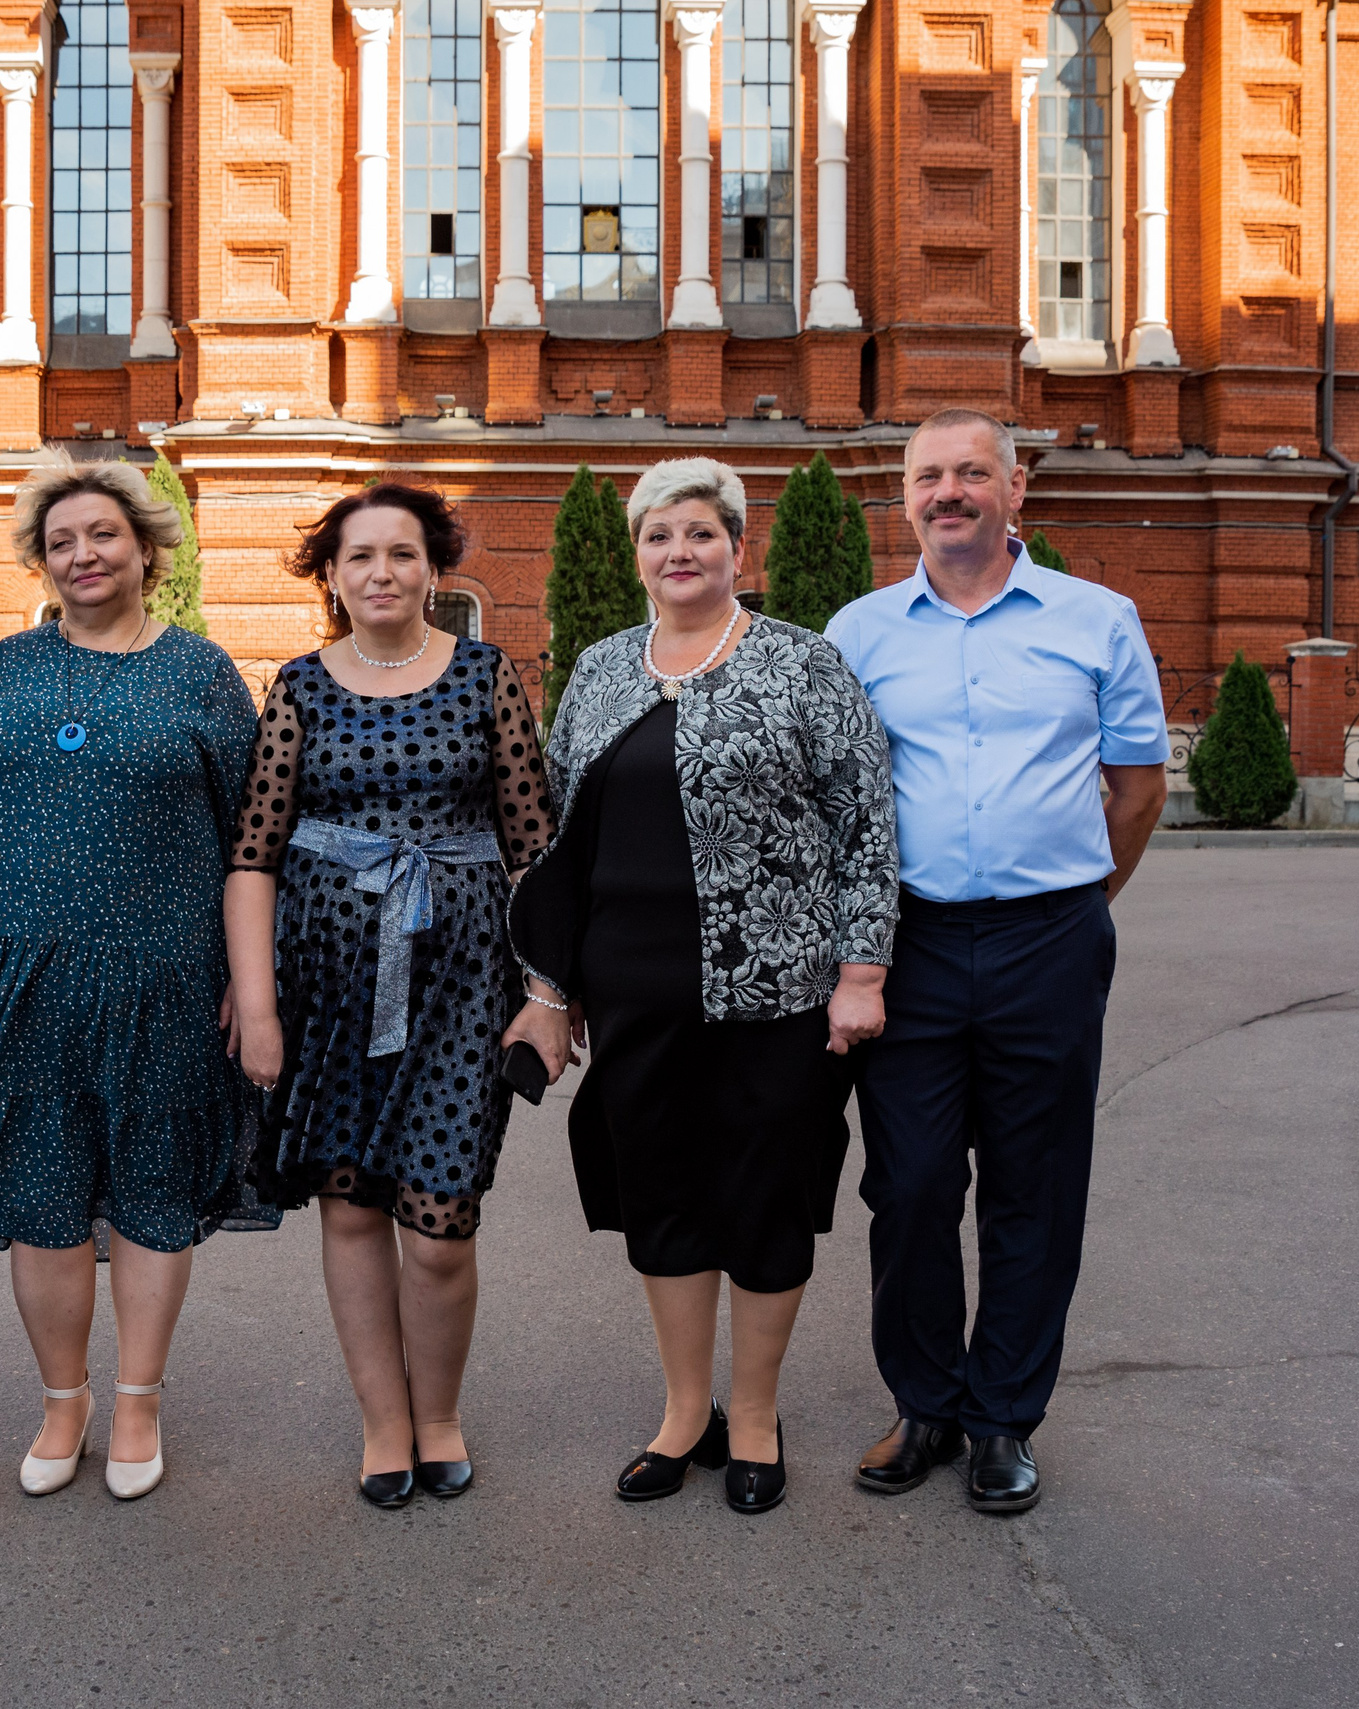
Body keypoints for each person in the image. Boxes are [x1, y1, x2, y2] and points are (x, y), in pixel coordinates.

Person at [506, 457, 897, 1514]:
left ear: (737, 547)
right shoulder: (597, 670)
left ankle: (757, 1411)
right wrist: (550, 986)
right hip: (634, 986)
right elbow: (554, 838)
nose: (679, 552)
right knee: (662, 1194)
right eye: (658, 535)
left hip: (780, 986)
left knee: (767, 1196)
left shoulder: (800, 664)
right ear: (637, 553)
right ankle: (686, 1409)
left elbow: (864, 820)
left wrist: (862, 970)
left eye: (701, 533)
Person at [823, 407, 1168, 1514]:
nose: (949, 492)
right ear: (906, 496)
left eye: (974, 472)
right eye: (929, 476)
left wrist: (1072, 896)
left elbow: (1138, 785)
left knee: (1035, 1186)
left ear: (1017, 490)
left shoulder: (1097, 618)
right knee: (911, 1182)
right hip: (908, 943)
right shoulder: (860, 631)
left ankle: (1002, 1416)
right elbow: (832, 799)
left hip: (1047, 940)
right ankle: (923, 1400)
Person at [0, 454, 270, 1500]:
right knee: (38, 1197)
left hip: (164, 976)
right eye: (61, 540)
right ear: (41, 559)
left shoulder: (201, 673)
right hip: (18, 975)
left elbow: (251, 838)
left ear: (146, 549)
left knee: (152, 1194)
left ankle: (136, 1399)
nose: (82, 554)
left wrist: (248, 977)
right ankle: (60, 1400)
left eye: (102, 535)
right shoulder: (2, 671)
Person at [224, 483, 552, 1510]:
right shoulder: (298, 689)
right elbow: (253, 855)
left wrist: (547, 989)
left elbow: (534, 845)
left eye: (401, 554)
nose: (380, 572)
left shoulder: (485, 675)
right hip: (325, 985)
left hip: (460, 987)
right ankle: (382, 1421)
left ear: (432, 568)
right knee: (352, 1207)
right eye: (358, 555)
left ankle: (440, 1410)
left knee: (440, 1218)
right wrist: (259, 1003)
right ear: (329, 575)